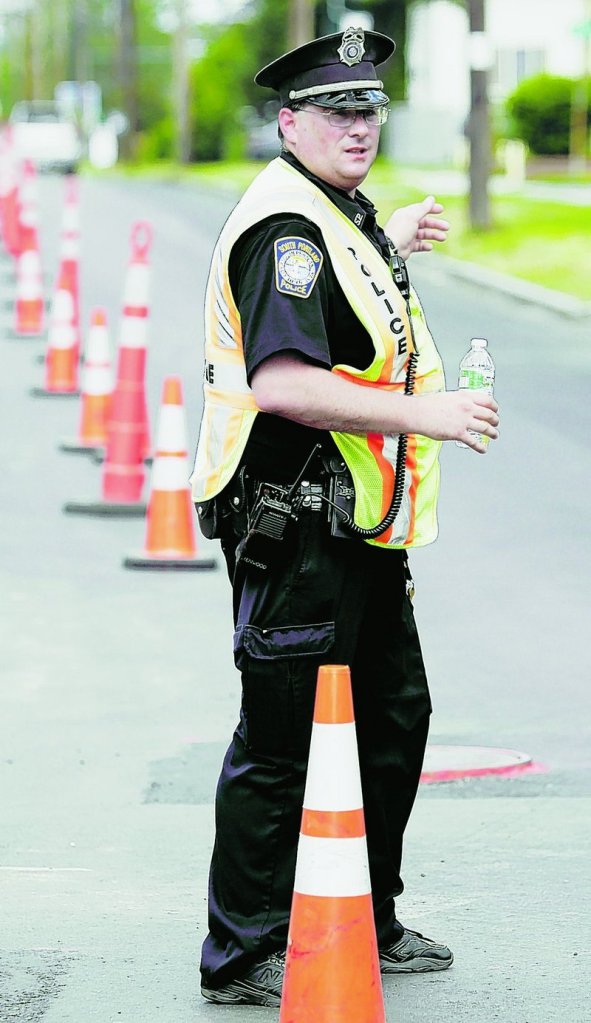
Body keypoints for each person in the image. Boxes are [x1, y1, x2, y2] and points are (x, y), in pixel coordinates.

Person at [191, 27, 499, 1008]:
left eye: (367, 109)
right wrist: (429, 417)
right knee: (281, 742)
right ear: (290, 122)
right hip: (293, 521)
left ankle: (365, 911)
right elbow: (284, 381)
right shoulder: (285, 229)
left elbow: (339, 291)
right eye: (335, 111)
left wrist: (388, 236)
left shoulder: (332, 211)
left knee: (393, 716)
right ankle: (243, 953)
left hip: (356, 522)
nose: (356, 126)